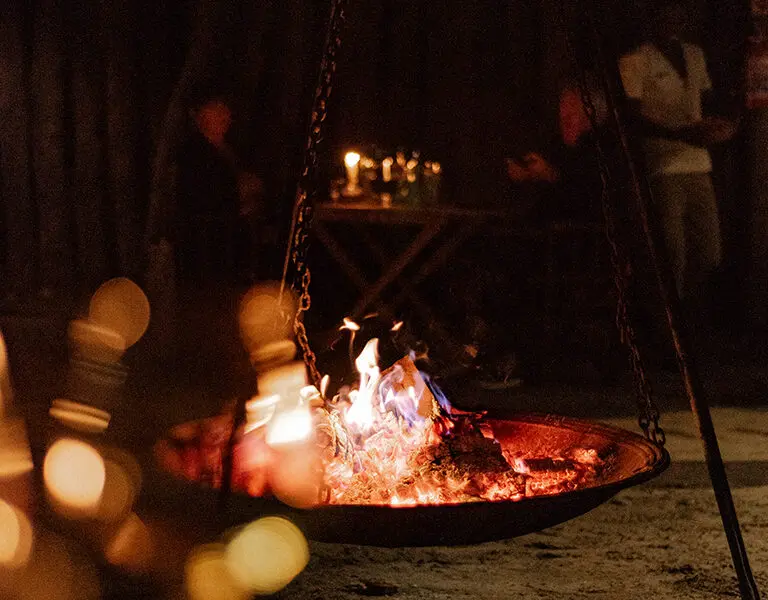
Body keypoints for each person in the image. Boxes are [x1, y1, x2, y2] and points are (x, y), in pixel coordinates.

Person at [617, 0, 738, 310]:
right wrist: (676, 133)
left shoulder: (695, 55)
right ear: (652, 16)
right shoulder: (635, 61)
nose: (673, 19)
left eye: (678, 12)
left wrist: (722, 125)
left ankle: (683, 310)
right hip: (662, 166)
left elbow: (706, 100)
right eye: (666, 11)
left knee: (709, 252)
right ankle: (667, 321)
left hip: (697, 164)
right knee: (672, 254)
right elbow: (631, 119)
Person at [176, 92, 264, 283]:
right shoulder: (194, 153)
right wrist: (238, 194)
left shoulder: (231, 150)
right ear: (199, 115)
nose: (223, 116)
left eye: (225, 111)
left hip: (235, 242)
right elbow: (202, 196)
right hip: (209, 244)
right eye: (215, 110)